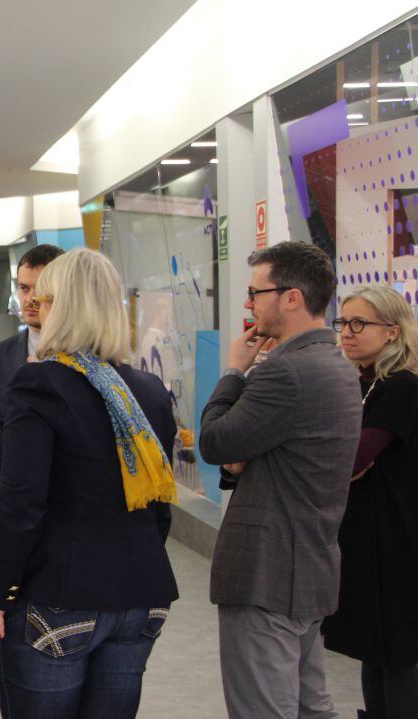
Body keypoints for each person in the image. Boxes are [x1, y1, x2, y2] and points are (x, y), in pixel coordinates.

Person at [0, 249, 179, 719]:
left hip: (60, 597)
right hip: (139, 596)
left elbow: (22, 501)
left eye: (43, 299)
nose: (37, 309)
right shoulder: (147, 390)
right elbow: (159, 504)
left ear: (61, 307)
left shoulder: (39, 385)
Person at [199, 241, 363, 719]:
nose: (249, 304)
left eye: (255, 293)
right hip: (308, 567)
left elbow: (214, 442)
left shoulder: (286, 372)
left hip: (268, 574)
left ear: (291, 297)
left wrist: (233, 370)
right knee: (312, 706)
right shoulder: (336, 366)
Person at [322, 286, 418, 719]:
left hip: (397, 542)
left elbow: (352, 459)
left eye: (360, 323)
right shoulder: (363, 382)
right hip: (365, 537)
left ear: (393, 331)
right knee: (372, 650)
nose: (347, 332)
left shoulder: (401, 386)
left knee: (397, 652)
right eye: (343, 323)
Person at [0, 244, 64, 496]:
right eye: (24, 288)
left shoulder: (91, 357)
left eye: (41, 289)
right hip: (18, 499)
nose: (30, 299)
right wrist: (5, 439)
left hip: (77, 502)